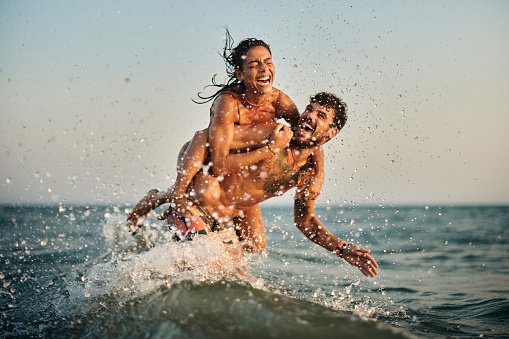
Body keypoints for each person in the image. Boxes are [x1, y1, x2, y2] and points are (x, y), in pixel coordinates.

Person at [128, 92, 379, 278]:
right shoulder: (275, 133)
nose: (309, 115)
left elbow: (305, 221)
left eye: (320, 115)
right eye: (309, 109)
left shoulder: (310, 173)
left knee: (251, 254)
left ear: (332, 132)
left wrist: (341, 248)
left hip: (229, 212)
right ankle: (162, 197)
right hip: (198, 200)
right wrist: (179, 192)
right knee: (203, 270)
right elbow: (203, 137)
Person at [161, 29, 325, 218]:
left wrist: (319, 174)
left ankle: (167, 199)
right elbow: (219, 164)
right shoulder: (229, 102)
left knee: (257, 244)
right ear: (240, 74)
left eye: (268, 62)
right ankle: (177, 197)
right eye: (254, 64)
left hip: (240, 173)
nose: (264, 69)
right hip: (204, 164)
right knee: (203, 195)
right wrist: (271, 149)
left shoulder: (281, 101)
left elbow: (307, 137)